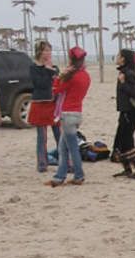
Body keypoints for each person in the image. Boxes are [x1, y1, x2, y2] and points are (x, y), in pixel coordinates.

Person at [46, 46, 91, 187]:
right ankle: (59, 177)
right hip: (77, 113)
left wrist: (59, 77)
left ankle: (78, 175)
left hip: (67, 113)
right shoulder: (85, 76)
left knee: (71, 148)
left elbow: (56, 90)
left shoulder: (71, 76)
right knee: (63, 148)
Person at [111, 49, 135, 179]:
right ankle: (127, 169)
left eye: (118, 55)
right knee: (122, 140)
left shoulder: (129, 73)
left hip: (131, 112)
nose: (116, 57)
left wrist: (123, 83)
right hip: (125, 111)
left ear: (123, 59)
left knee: (127, 140)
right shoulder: (124, 72)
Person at [28, 40, 60, 172]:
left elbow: (58, 82)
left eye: (49, 50)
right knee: (42, 137)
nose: (48, 53)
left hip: (53, 104)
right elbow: (40, 84)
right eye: (46, 50)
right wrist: (48, 70)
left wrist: (52, 70)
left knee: (59, 135)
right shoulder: (33, 68)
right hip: (40, 103)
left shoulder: (54, 67)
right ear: (39, 52)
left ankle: (66, 162)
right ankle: (42, 164)